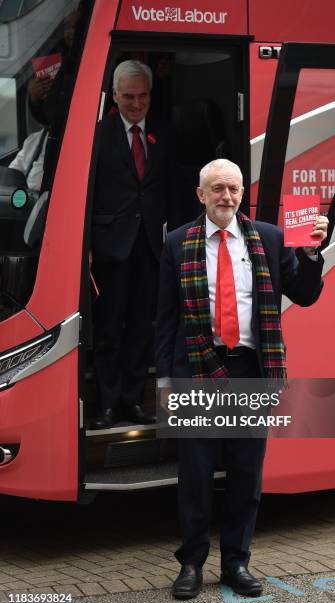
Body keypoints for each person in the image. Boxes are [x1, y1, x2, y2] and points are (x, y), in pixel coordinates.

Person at [155, 159, 328, 599]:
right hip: (196, 370)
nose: (226, 197)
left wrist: (310, 254)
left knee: (245, 476)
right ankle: (191, 563)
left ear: (241, 194)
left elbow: (305, 294)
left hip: (251, 368)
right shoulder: (177, 243)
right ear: (201, 195)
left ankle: (236, 562)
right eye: (217, 189)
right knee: (195, 476)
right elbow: (165, 322)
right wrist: (167, 383)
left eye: (233, 188)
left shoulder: (269, 238)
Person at [90, 60, 172, 429]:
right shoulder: (96, 134)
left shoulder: (164, 131)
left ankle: (133, 400)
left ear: (151, 95)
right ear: (115, 96)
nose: (136, 104)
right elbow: (87, 193)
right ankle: (108, 403)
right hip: (109, 245)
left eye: (142, 97)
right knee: (108, 327)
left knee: (142, 325)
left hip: (151, 246)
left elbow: (169, 186)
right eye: (128, 97)